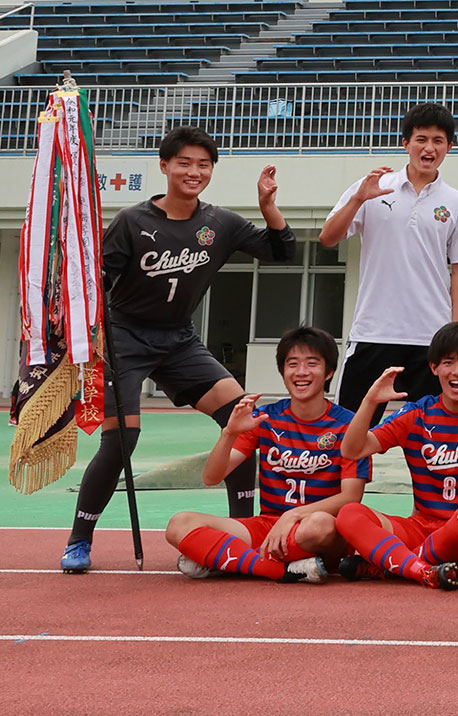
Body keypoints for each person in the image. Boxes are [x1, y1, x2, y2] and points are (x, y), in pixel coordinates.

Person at [63, 126, 295, 573]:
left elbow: (282, 253)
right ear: (165, 165)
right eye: (185, 162)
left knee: (244, 422)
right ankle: (79, 538)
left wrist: (268, 207)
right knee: (122, 440)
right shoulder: (132, 221)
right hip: (124, 338)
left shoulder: (220, 223)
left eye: (204, 164)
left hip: (179, 339)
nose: (194, 171)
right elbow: (98, 285)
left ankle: (243, 527)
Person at [334, 321, 458, 588]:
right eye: (448, 362)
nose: (457, 372)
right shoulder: (417, 413)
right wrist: (370, 401)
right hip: (420, 527)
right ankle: (421, 569)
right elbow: (352, 449)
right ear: (434, 367)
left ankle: (395, 566)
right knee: (349, 514)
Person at [164, 326, 361, 583]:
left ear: (329, 372)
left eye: (311, 364)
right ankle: (280, 569)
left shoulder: (347, 424)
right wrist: (229, 433)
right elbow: (212, 476)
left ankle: (228, 559)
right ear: (283, 371)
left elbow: (351, 496)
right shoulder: (265, 418)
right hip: (268, 525)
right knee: (179, 524)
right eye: (293, 364)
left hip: (317, 529)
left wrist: (293, 515)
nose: (301, 372)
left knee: (319, 525)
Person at [321, 103, 458, 418]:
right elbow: (328, 237)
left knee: (433, 434)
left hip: (430, 339)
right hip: (373, 333)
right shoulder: (372, 189)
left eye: (438, 140)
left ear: (449, 147)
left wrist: (453, 332)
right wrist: (357, 200)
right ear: (406, 143)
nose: (429, 147)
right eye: (421, 139)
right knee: (351, 429)